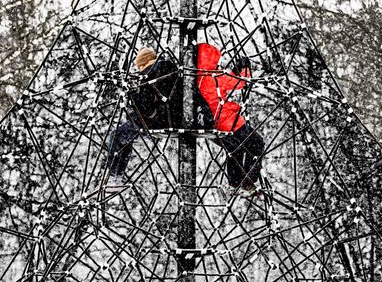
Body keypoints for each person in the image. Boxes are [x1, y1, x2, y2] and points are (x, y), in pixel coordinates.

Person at [196, 43, 265, 192]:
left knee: (235, 149)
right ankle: (249, 180)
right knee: (257, 143)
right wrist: (244, 69)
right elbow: (239, 82)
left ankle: (235, 182)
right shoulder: (214, 76)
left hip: (212, 123)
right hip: (227, 121)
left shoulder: (198, 77)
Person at [106, 46, 179, 183]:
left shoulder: (149, 75)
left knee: (117, 136)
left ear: (143, 63)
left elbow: (146, 106)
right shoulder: (170, 70)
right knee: (125, 136)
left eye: (139, 67)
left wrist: (133, 98)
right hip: (174, 117)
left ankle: (114, 176)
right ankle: (116, 176)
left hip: (157, 120)